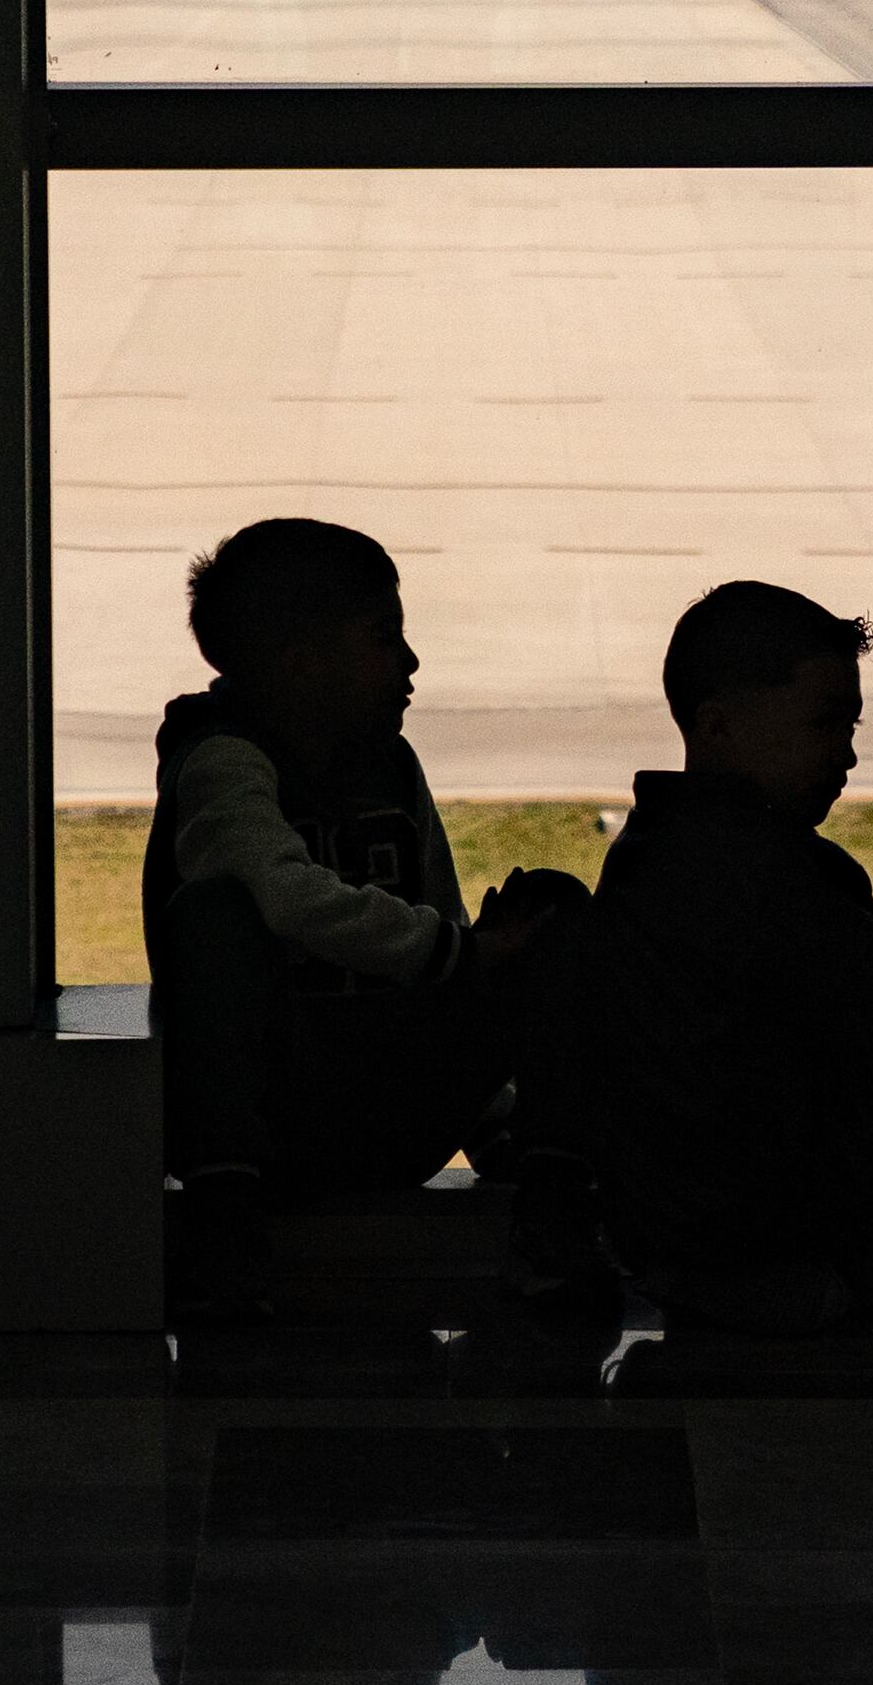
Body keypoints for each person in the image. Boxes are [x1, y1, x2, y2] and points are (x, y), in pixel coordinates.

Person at [150, 517, 578, 1319]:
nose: (411, 663)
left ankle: (548, 1204)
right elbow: (278, 894)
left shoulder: (392, 763)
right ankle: (224, 1228)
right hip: (273, 1130)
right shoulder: (220, 761)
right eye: (386, 637)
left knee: (549, 909)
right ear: (302, 664)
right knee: (217, 917)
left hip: (391, 1108)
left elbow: (440, 915)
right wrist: (457, 954)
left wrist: (487, 1117)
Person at [561, 579, 873, 1333]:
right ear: (719, 728)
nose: (849, 754)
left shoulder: (637, 858)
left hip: (654, 1229)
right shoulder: (793, 881)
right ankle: (858, 1258)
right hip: (768, 1234)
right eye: (826, 724)